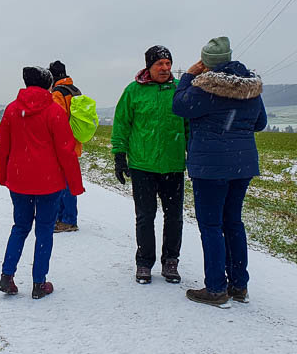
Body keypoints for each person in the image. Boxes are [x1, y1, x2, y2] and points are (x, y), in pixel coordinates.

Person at [172, 36, 266, 308]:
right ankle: (239, 284)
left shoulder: (205, 87)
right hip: (242, 164)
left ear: (206, 63)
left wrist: (188, 76)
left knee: (211, 225)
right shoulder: (251, 88)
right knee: (233, 222)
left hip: (210, 167)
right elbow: (260, 123)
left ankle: (215, 288)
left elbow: (179, 105)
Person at [0, 67, 84, 300]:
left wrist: (3, 174)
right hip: (49, 182)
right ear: (48, 85)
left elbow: (3, 146)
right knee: (44, 230)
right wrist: (75, 184)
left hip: (18, 179)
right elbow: (66, 151)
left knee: (20, 226)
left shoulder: (12, 110)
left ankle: (7, 275)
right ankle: (39, 283)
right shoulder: (54, 112)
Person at [111, 45, 189, 285]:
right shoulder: (133, 91)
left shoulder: (179, 91)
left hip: (173, 164)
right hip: (142, 165)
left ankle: (171, 261)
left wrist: (193, 154)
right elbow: (121, 124)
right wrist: (119, 155)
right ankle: (144, 262)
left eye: (168, 64)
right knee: (145, 216)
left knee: (174, 217)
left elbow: (189, 127)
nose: (165, 68)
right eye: (159, 64)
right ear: (149, 67)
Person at [48, 60, 84, 233]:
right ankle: (67, 218)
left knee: (64, 183)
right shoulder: (74, 90)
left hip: (63, 144)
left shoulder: (58, 92)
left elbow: (57, 119)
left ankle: (67, 220)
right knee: (69, 180)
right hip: (75, 140)